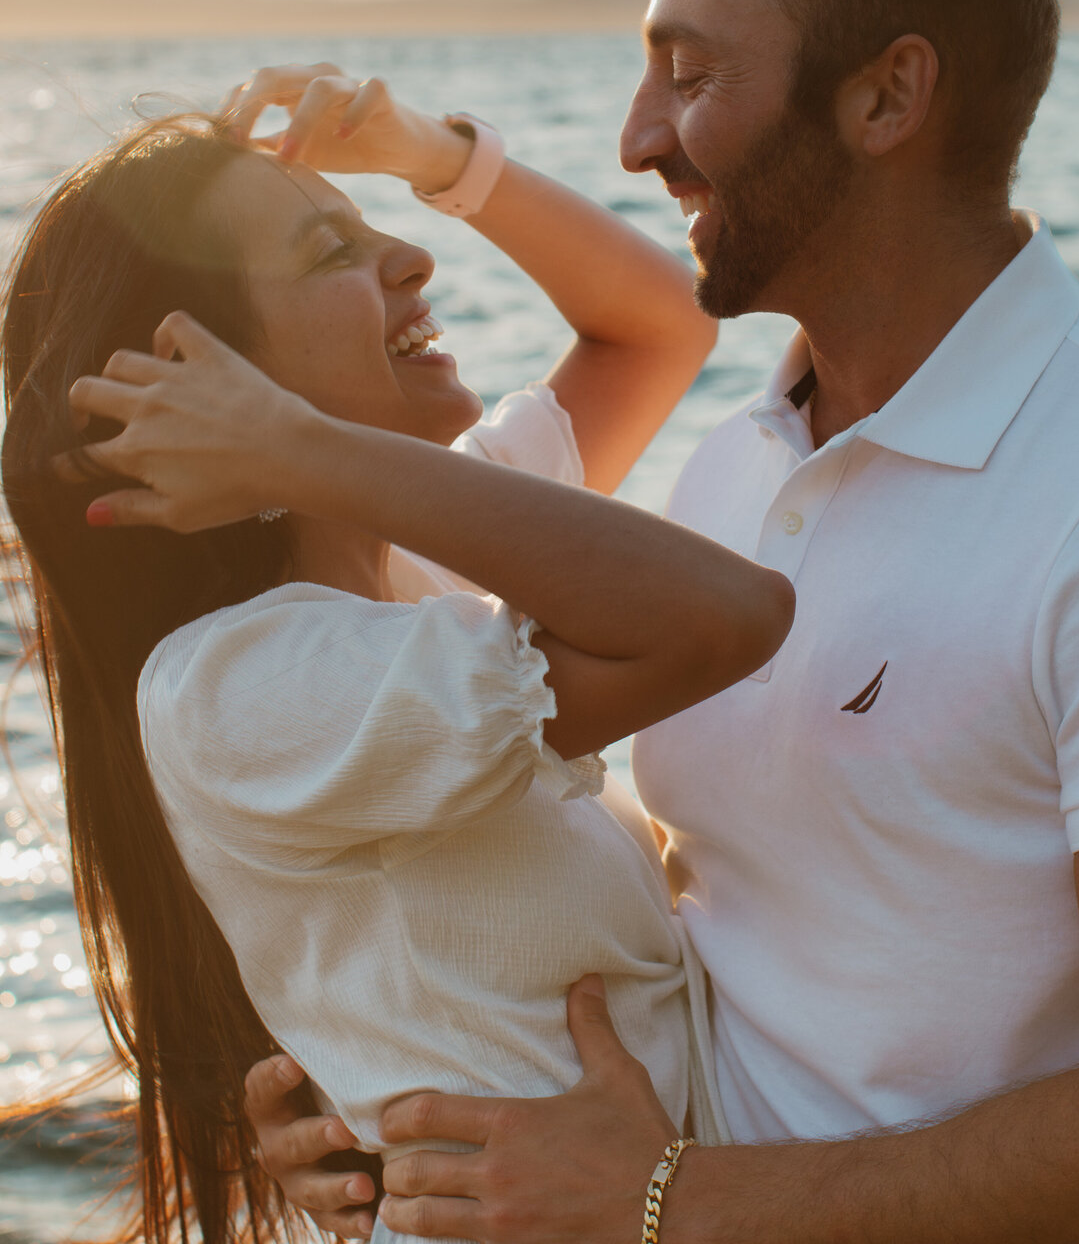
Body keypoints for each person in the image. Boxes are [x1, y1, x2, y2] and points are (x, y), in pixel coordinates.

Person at [232, 0, 1079, 1243]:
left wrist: (671, 1199)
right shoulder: (745, 461)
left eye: (688, 79)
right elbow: (734, 917)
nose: (637, 141)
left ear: (887, 99)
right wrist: (394, 1083)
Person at [2, 94, 794, 1244]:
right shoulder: (240, 682)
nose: (412, 256)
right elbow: (722, 616)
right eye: (334, 252)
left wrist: (433, 157)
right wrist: (295, 447)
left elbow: (661, 322)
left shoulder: (416, 567)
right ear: (209, 378)